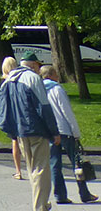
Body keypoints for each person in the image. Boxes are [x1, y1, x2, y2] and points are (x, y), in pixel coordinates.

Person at [0, 54, 61, 211]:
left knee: (32, 169)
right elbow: (44, 107)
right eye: (38, 65)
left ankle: (40, 203)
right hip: (36, 130)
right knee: (41, 169)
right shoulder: (33, 78)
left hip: (20, 131)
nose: (39, 69)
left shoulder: (8, 80)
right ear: (33, 65)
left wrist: (12, 131)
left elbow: (5, 109)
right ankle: (41, 206)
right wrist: (54, 131)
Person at [40, 65, 98, 205]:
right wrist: (75, 132)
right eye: (56, 74)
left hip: (49, 132)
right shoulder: (57, 89)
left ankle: (60, 195)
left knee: (55, 164)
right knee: (76, 163)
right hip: (64, 131)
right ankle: (84, 193)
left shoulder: (39, 91)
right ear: (52, 75)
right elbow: (67, 112)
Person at [3, 58, 25, 180]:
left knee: (15, 142)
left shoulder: (4, 81)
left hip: (11, 115)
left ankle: (18, 171)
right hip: (21, 114)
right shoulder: (20, 79)